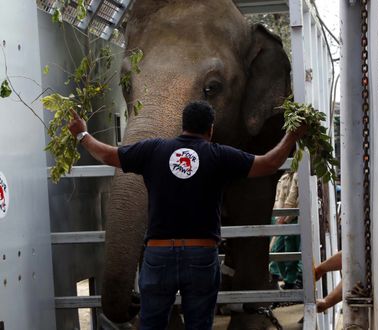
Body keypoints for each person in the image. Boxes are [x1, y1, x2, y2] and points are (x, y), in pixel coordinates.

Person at [68, 100, 305, 330]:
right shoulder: (219, 155)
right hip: (200, 254)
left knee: (151, 324)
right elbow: (269, 163)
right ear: (210, 129)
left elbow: (109, 155)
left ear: (183, 125)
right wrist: (292, 135)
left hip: (159, 254)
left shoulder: (154, 149)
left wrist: (82, 135)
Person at [269, 171, 302, 289]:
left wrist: (284, 218)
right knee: (277, 250)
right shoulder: (285, 178)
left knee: (292, 250)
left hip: (294, 217)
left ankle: (292, 281)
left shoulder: (298, 174)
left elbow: (293, 200)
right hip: (285, 217)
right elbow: (282, 199)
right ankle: (286, 279)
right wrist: (280, 217)